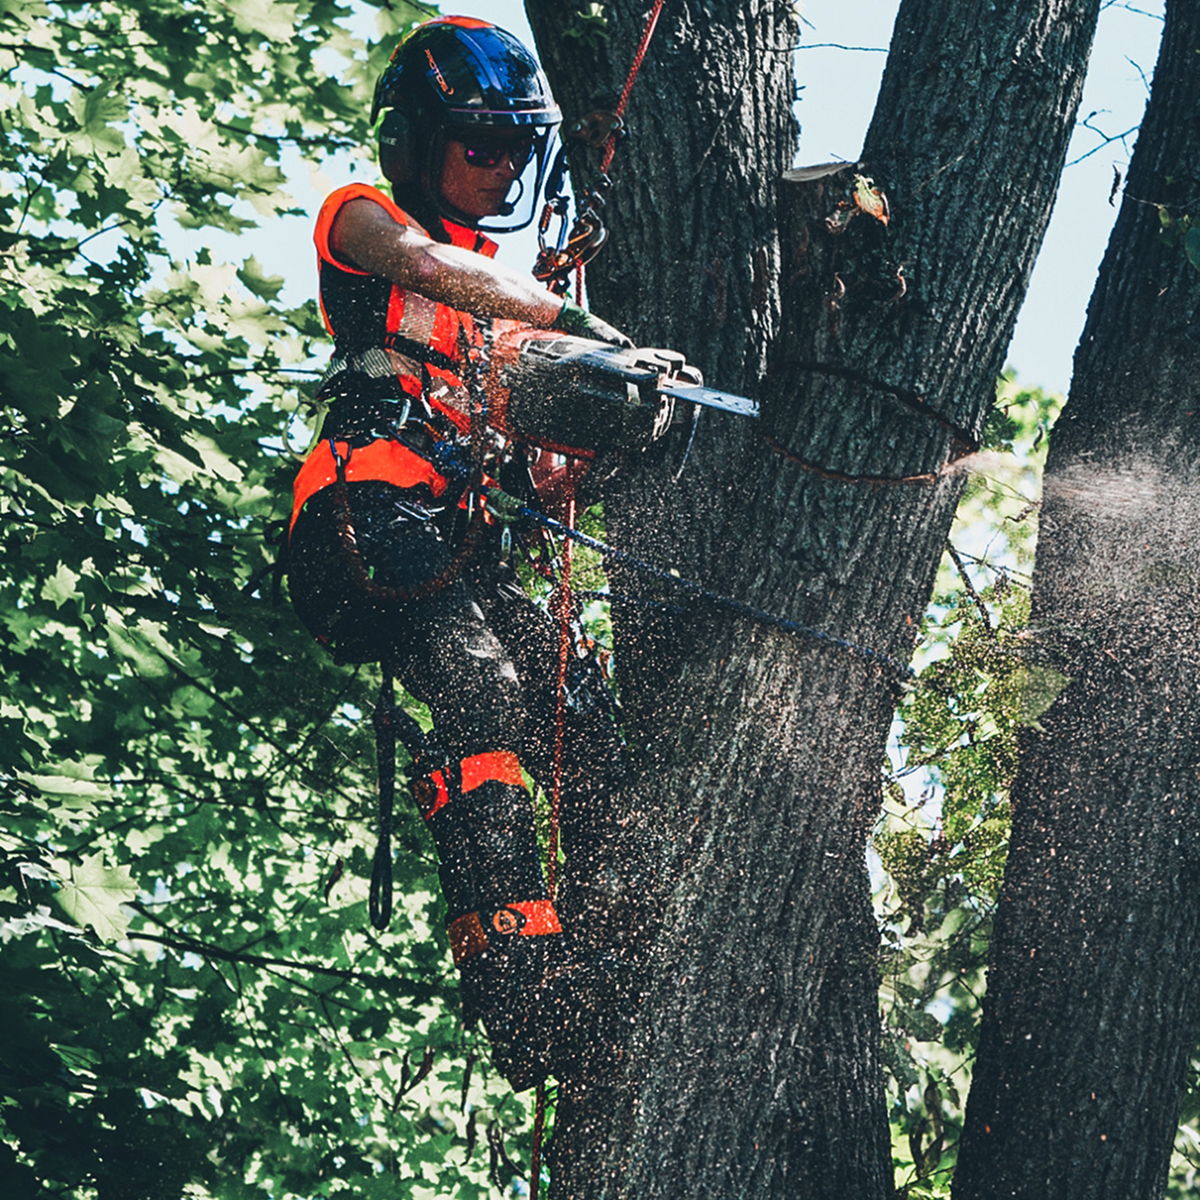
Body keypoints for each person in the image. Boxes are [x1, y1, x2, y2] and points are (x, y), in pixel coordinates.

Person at [286, 16, 627, 1090]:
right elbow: (435, 269)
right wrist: (571, 321)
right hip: (359, 520)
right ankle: (514, 975)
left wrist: (596, 428)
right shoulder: (368, 223)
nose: (502, 166)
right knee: (479, 692)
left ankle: (610, 934)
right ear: (421, 140)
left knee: (579, 713)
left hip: (461, 547)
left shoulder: (505, 309)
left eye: (516, 150)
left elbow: (539, 464)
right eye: (481, 145)